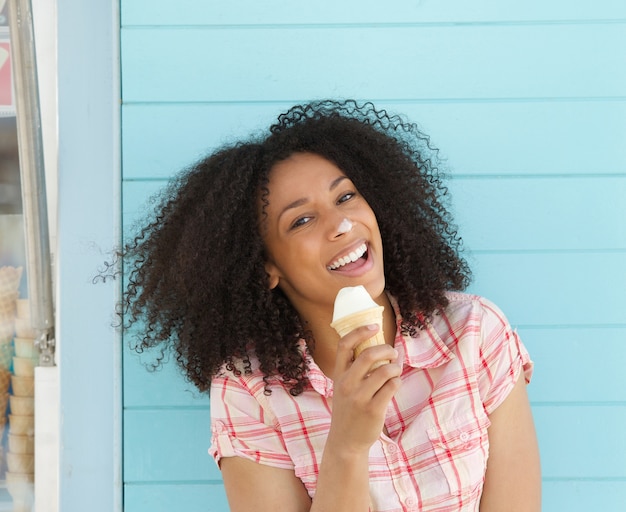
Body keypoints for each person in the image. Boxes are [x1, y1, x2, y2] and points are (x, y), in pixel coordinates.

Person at [120, 100, 541, 511]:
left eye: (345, 198)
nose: (342, 225)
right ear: (266, 267)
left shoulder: (474, 333)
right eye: (302, 220)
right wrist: (347, 445)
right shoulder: (249, 391)